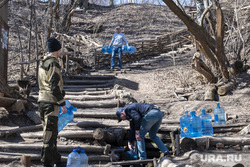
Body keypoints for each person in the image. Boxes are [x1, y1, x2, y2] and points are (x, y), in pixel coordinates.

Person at [38, 37, 67, 167]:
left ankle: (56, 159)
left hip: (42, 101)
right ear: (58, 49)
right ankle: (46, 163)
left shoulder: (42, 63)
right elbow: (54, 86)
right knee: (50, 135)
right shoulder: (53, 63)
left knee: (49, 133)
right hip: (51, 102)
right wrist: (62, 103)